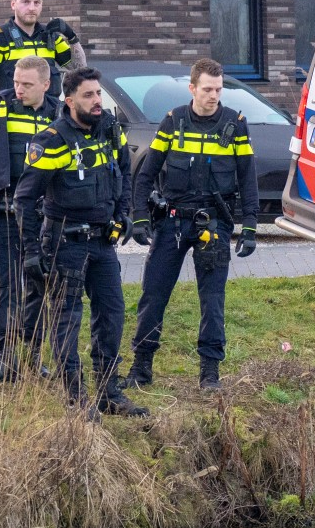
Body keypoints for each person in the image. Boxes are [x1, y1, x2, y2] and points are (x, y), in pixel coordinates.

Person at [14, 66, 146, 419]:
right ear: (69, 101)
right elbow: (24, 200)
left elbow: (123, 174)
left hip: (103, 242)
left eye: (99, 94)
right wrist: (30, 252)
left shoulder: (109, 131)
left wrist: (124, 214)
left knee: (113, 314)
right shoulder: (51, 140)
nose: (97, 101)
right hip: (65, 243)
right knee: (67, 320)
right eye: (88, 95)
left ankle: (108, 392)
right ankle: (75, 398)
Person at [121, 58, 260, 392]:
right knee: (153, 295)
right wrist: (140, 218)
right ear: (193, 89)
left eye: (218, 89)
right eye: (207, 89)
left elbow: (247, 179)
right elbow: (145, 175)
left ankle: (209, 374)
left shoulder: (235, 124)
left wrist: (251, 226)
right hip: (173, 222)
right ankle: (141, 369)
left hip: (214, 222)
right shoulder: (173, 121)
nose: (214, 96)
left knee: (212, 301)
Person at [0, 54, 58, 381]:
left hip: (43, 217)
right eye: (16, 82)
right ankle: (5, 358)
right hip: (4, 212)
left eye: (27, 84)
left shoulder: (59, 113)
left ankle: (33, 355)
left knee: (39, 285)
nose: (18, 89)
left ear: (46, 85)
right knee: (6, 286)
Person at [0, 0, 83, 108]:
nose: (32, 8)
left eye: (37, 3)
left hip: (50, 120)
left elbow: (79, 70)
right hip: (14, 120)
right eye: (26, 2)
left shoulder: (50, 35)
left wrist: (72, 38)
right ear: (13, 4)